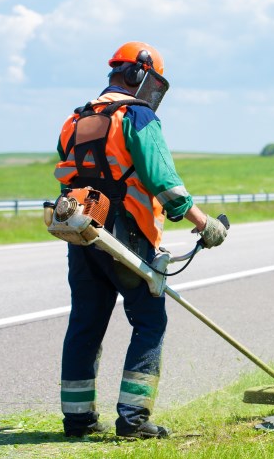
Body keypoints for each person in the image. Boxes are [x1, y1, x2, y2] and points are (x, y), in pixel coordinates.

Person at [53, 41, 227, 439]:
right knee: (150, 320)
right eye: (151, 81)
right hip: (126, 234)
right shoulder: (137, 114)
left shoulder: (74, 119)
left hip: (82, 234)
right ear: (138, 74)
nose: (151, 91)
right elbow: (161, 178)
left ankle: (77, 420)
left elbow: (68, 173)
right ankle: (133, 419)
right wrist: (203, 223)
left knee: (85, 323)